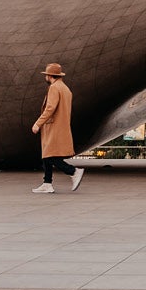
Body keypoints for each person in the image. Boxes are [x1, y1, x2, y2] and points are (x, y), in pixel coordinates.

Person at [30, 61, 89, 192]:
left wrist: (37, 123)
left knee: (51, 156)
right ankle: (47, 183)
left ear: (50, 76)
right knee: (47, 155)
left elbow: (50, 108)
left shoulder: (54, 88)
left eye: (46, 75)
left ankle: (73, 171)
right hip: (60, 126)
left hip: (53, 126)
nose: (45, 77)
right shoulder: (66, 89)